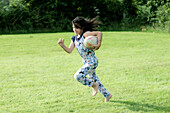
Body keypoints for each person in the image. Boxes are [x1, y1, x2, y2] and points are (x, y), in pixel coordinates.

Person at [58, 16, 112, 102]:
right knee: (94, 79)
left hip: (92, 61)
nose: (74, 30)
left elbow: (99, 33)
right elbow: (69, 50)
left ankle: (94, 85)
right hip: (86, 62)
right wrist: (62, 45)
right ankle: (107, 95)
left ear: (82, 27)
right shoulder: (74, 38)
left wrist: (99, 44)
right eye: (73, 27)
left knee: (78, 76)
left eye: (77, 28)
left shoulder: (86, 34)